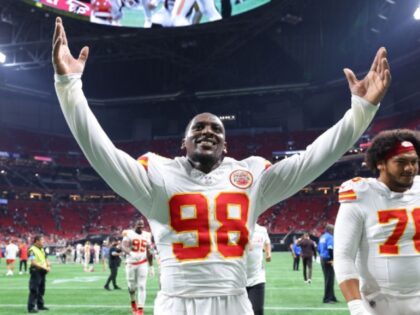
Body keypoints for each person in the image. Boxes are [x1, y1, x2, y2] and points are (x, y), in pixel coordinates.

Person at [52, 16, 391, 315]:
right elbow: (100, 151)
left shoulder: (251, 175)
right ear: (182, 144)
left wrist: (360, 111)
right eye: (197, 127)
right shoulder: (156, 176)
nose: (207, 131)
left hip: (234, 300)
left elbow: (313, 159)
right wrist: (69, 88)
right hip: (176, 303)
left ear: (227, 145)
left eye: (216, 128)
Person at [334, 129, 420, 315]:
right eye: (401, 162)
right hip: (380, 303)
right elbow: (343, 256)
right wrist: (356, 307)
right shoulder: (361, 194)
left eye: (414, 161)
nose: (410, 168)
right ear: (380, 163)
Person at [122, 219, 154, 315]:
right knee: (132, 287)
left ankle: (140, 309)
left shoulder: (147, 235)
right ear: (134, 225)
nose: (141, 226)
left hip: (142, 263)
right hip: (131, 263)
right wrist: (130, 252)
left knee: (142, 286)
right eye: (139, 224)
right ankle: (133, 302)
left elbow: (149, 251)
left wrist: (151, 266)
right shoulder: (128, 233)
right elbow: (123, 245)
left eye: (142, 225)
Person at [246, 223, 271, 315]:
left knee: (257, 311)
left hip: (257, 278)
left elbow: (267, 242)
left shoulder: (262, 230)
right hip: (238, 279)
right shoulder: (236, 228)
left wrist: (268, 253)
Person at [27, 235, 51, 313]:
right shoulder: (31, 250)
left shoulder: (42, 249)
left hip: (42, 271)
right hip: (36, 271)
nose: (43, 242)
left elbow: (46, 258)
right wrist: (45, 268)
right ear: (37, 241)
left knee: (41, 289)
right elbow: (33, 262)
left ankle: (40, 305)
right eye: (42, 240)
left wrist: (48, 265)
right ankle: (31, 307)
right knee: (34, 289)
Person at [318, 224, 337, 303]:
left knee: (329, 278)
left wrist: (322, 255)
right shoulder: (330, 237)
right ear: (330, 230)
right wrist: (332, 259)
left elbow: (318, 249)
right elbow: (330, 248)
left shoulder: (322, 237)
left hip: (323, 258)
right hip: (328, 259)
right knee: (329, 279)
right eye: (333, 230)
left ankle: (332, 297)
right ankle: (327, 298)